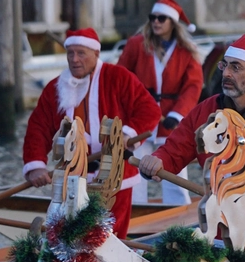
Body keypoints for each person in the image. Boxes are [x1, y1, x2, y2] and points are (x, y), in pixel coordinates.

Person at [22, 29, 162, 238]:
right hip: (72, 176)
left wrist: (126, 134)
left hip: (115, 173)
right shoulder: (55, 87)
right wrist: (35, 165)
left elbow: (150, 109)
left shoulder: (118, 77)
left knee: (112, 234)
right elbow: (38, 128)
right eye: (70, 53)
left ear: (96, 54)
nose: (74, 60)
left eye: (81, 53)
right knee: (71, 234)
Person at [138, 35, 245, 184]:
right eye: (225, 65)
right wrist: (157, 161)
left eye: (236, 67)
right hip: (216, 210)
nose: (226, 73)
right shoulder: (205, 111)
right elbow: (174, 151)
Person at [116, 0, 204, 205]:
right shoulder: (136, 44)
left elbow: (193, 86)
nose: (156, 22)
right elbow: (121, 77)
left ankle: (179, 214)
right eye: (153, 18)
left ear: (172, 22)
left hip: (169, 122)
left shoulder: (186, 50)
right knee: (135, 170)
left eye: (161, 18)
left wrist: (177, 114)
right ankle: (136, 212)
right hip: (140, 121)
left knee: (173, 169)